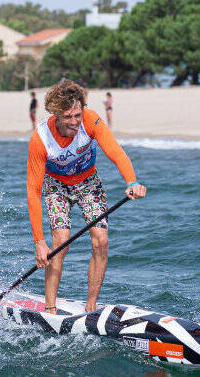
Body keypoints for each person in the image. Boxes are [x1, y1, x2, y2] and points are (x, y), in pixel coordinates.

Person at [26, 80, 146, 314]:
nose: (74, 121)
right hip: (56, 186)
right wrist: (38, 242)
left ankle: (91, 306)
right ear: (56, 114)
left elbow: (115, 151)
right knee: (60, 242)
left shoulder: (90, 120)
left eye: (77, 115)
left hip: (88, 182)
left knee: (101, 241)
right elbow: (33, 189)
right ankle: (50, 308)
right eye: (68, 117)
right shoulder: (40, 138)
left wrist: (131, 181)